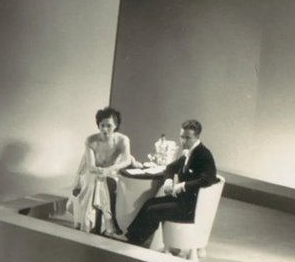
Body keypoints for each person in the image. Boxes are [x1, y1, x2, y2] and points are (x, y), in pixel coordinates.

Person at [124, 119, 217, 250]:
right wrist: (168, 180)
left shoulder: (203, 155)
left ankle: (134, 243)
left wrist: (183, 185)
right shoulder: (189, 152)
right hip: (182, 201)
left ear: (197, 137)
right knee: (150, 203)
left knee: (153, 210)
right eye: (181, 137)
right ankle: (131, 238)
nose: (183, 141)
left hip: (190, 208)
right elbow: (170, 168)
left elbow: (208, 179)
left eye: (188, 138)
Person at [69, 106, 134, 235]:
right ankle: (91, 223)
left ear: (115, 125)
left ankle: (101, 224)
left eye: (109, 126)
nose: (105, 129)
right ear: (98, 125)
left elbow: (126, 160)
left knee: (102, 181)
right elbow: (91, 166)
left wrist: (109, 170)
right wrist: (101, 172)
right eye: (102, 125)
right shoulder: (90, 140)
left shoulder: (123, 140)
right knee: (94, 181)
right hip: (92, 171)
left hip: (112, 171)